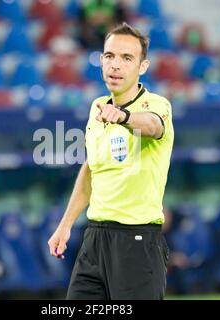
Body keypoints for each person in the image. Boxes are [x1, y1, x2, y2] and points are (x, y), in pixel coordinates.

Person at [48, 22, 174, 300]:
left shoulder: (157, 105)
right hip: (94, 239)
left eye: (127, 58)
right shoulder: (98, 108)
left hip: (137, 242)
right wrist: (65, 225)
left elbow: (152, 126)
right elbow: (92, 168)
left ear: (143, 67)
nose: (115, 65)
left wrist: (124, 117)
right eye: (109, 56)